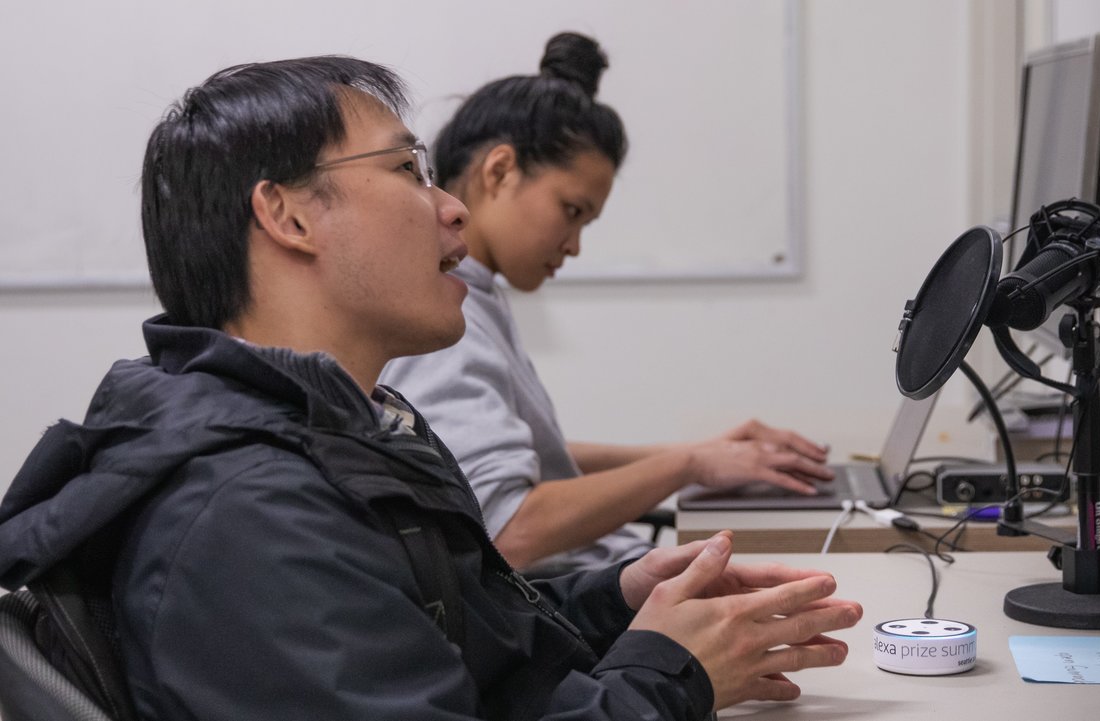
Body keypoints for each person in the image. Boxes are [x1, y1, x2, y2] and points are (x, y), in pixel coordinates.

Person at [0, 56, 862, 720]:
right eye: (409, 169)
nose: (450, 207)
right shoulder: (251, 512)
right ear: (289, 215)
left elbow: (441, 634)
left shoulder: (343, 430)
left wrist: (618, 599)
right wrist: (671, 670)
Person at [381, 32, 834, 575]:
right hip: (565, 605)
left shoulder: (475, 295)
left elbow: (523, 455)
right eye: (570, 211)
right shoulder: (442, 320)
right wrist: (685, 464)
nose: (574, 245)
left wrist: (700, 456)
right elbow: (506, 527)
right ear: (498, 171)